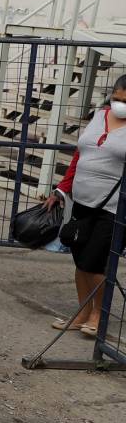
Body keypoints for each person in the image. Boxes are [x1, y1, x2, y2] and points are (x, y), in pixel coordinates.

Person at [44, 75, 126, 336]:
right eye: (116, 98)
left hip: (112, 207)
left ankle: (98, 314)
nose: (119, 104)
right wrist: (62, 188)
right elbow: (79, 156)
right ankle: (82, 312)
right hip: (82, 202)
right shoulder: (99, 116)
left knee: (95, 262)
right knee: (80, 260)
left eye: (125, 101)